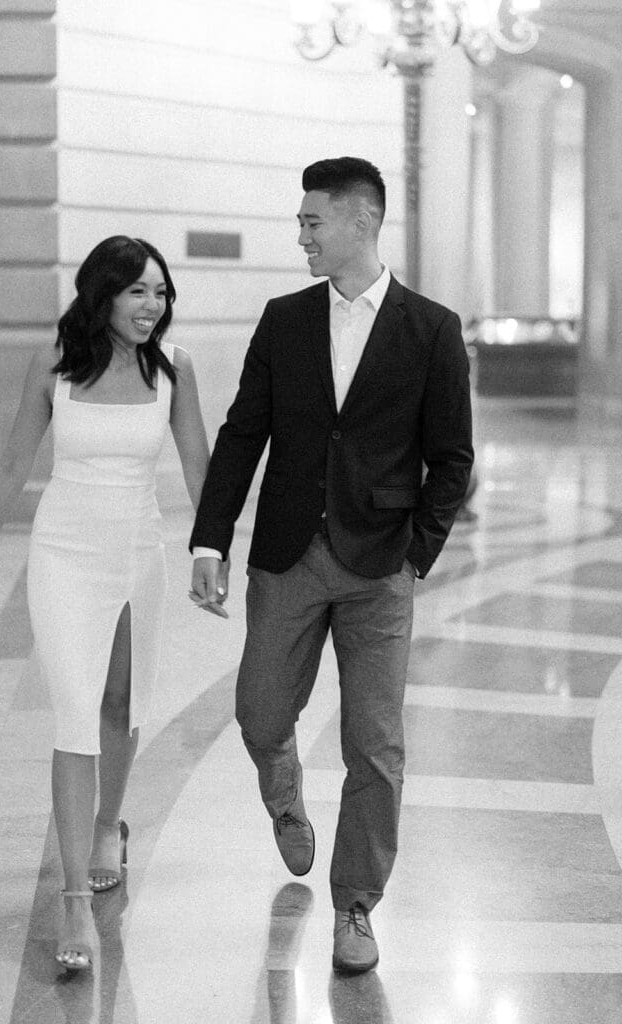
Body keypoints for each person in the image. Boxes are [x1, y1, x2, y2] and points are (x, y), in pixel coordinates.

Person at [189, 158, 473, 973]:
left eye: (312, 222)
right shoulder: (283, 320)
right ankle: (285, 799)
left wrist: (416, 554)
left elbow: (452, 457)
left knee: (375, 744)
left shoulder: (431, 328)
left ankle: (356, 905)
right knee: (259, 714)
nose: (302, 237)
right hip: (289, 553)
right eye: (302, 223)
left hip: (380, 562)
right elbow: (243, 433)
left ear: (360, 222)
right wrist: (210, 540)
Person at [0, 236, 221, 972]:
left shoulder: (174, 369)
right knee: (75, 711)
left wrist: (211, 552)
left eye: (160, 292)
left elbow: (200, 466)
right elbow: (15, 461)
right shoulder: (52, 365)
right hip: (64, 554)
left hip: (138, 551)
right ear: (102, 295)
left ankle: (109, 825)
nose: (152, 305)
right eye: (138, 291)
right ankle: (74, 900)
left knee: (120, 702)